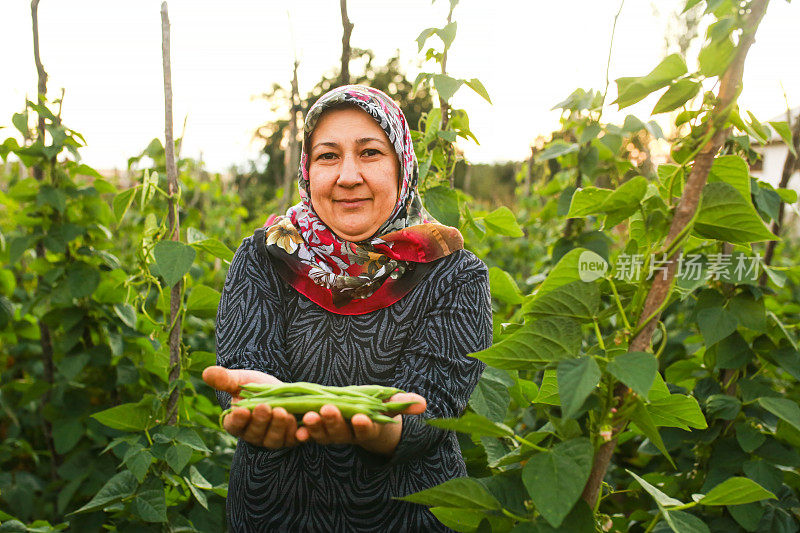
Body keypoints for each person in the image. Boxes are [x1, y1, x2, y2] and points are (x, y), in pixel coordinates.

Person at [203, 84, 492, 532]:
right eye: (328, 156)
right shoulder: (267, 254)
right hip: (275, 515)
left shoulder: (453, 271)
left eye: (371, 153)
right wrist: (253, 397)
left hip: (410, 514)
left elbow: (435, 404)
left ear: (402, 166)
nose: (348, 176)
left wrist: (382, 426)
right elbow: (244, 365)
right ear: (307, 170)